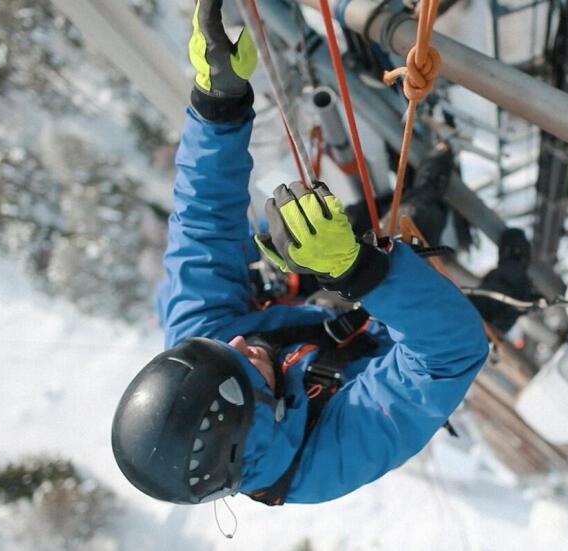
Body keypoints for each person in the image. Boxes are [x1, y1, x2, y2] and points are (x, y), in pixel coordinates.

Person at [111, 0, 488, 506]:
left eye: (227, 348)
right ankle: (443, 181)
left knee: (370, 217)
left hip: (323, 304)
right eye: (246, 364)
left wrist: (216, 106)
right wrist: (357, 271)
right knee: (432, 230)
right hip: (397, 339)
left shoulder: (206, 355)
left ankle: (423, 177)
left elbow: (203, 223)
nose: (239, 340)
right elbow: (447, 357)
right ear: (259, 415)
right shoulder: (332, 458)